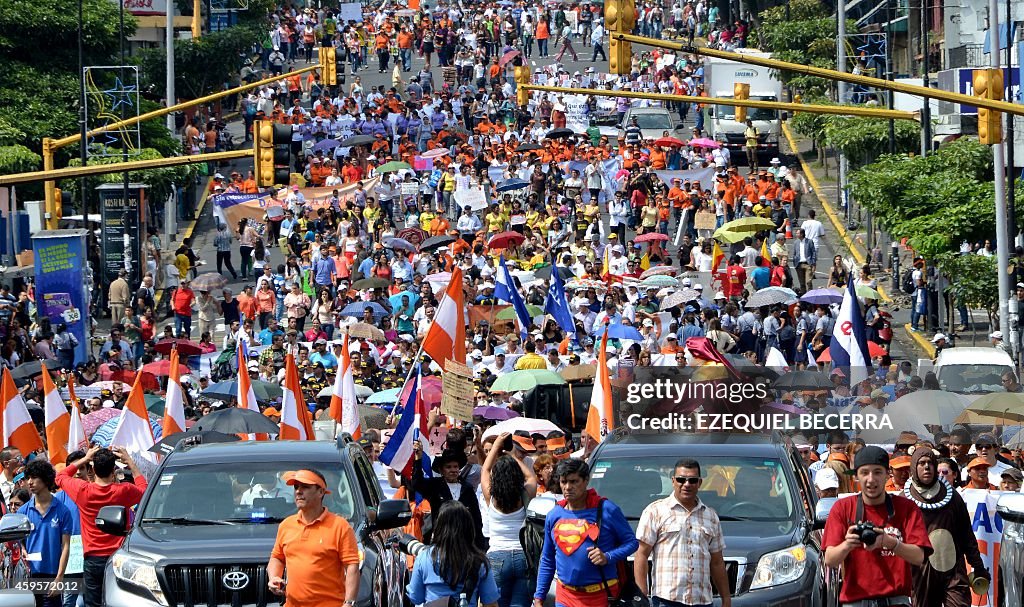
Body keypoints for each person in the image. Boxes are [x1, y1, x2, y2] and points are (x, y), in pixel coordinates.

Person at [822, 446, 931, 606]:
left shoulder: (907, 508)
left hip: (896, 601)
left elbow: (919, 557)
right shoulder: (842, 508)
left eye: (878, 472)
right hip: (855, 602)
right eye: (864, 472)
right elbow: (830, 560)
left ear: (888, 474)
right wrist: (847, 545)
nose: (871, 479)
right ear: (856, 477)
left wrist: (891, 543)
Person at [533, 458, 638, 607]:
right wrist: (539, 597)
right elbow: (548, 559)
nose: (568, 487)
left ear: (586, 481)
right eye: (564, 482)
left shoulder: (607, 509)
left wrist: (608, 557)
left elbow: (632, 543)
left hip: (601, 596)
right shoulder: (554, 514)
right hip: (565, 596)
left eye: (574, 481)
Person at [56, 446, 147, 607]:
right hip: (118, 557)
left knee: (93, 603)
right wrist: (130, 463)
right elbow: (144, 490)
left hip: (92, 559)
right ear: (113, 470)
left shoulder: (82, 491)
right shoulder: (123, 491)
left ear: (92, 469)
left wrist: (85, 458)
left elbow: (61, 476)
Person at [634, 458, 732, 607]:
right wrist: (642, 596)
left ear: (699, 483)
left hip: (702, 601)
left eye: (692, 480)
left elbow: (717, 562)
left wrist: (726, 598)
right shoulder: (655, 511)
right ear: (673, 481)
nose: (686, 484)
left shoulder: (711, 516)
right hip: (666, 601)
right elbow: (641, 555)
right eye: (681, 479)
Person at [902, 447, 988, 607]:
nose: (927, 467)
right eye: (921, 463)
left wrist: (978, 566)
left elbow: (967, 535)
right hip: (921, 571)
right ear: (913, 467)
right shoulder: (904, 501)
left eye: (930, 463)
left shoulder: (952, 497)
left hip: (953, 569)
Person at [268, 468, 360, 607]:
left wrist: (349, 603)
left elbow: (352, 566)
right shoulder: (286, 525)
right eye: (296, 487)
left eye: (305, 487)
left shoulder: (340, 526)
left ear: (321, 492)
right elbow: (277, 557)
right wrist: (274, 577)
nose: (298, 491)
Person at [481, 432, 539, 607]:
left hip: (497, 556)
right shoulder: (525, 495)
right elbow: (530, 477)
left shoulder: (490, 496)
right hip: (523, 556)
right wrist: (512, 456)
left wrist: (497, 445)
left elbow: (485, 469)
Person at [406, 501, 500, 607]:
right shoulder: (480, 562)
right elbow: (491, 602)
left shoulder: (424, 557)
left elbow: (415, 597)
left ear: (439, 528)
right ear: (469, 528)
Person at [19, 460, 74, 607]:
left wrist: (60, 578)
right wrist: (22, 549)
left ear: (46, 479)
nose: (29, 482)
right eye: (28, 477)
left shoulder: (62, 511)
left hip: (52, 576)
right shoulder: (22, 511)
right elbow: (18, 542)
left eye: (34, 477)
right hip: (28, 576)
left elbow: (66, 546)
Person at [411, 444, 486, 549]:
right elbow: (417, 484)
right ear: (441, 470)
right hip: (442, 542)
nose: (453, 470)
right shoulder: (435, 487)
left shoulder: (467, 488)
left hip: (465, 543)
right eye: (448, 467)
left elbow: (476, 519)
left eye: (455, 467)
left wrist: (479, 546)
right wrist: (418, 459)